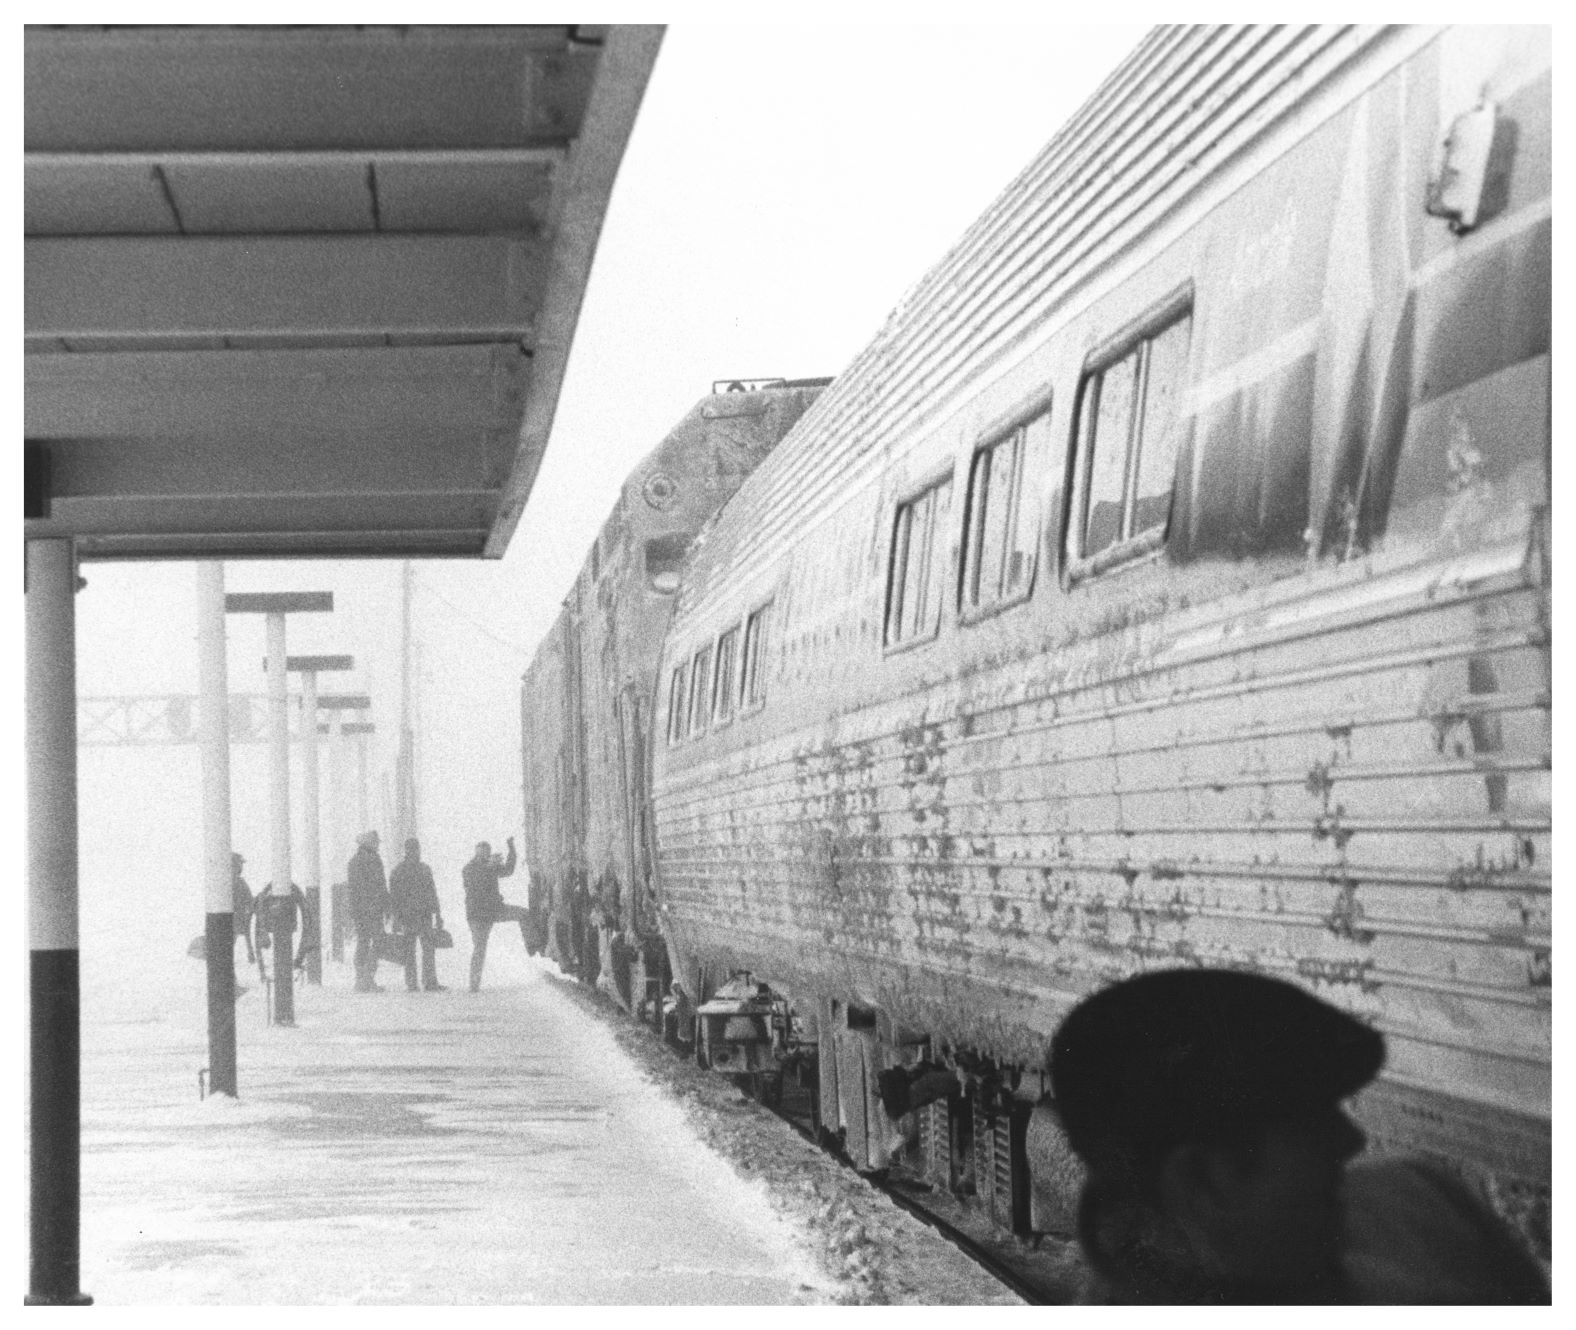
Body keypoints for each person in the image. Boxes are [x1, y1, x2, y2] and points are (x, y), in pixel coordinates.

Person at [1047, 968, 1548, 1304]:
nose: (1350, 1140)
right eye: (1307, 1118)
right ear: (1204, 1180)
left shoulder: (1425, 1204)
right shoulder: (1423, 1221)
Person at [462, 836, 526, 992]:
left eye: (487, 853)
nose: (485, 856)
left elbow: (508, 870)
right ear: (477, 854)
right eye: (482, 854)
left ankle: (534, 944)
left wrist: (511, 849)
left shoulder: (490, 867)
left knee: (524, 914)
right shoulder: (469, 869)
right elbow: (474, 884)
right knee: (479, 949)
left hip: (494, 911)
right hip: (478, 916)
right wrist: (488, 867)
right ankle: (474, 984)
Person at [390, 837, 446, 992]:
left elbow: (431, 893)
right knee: (425, 949)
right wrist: (437, 913)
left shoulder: (399, 870)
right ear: (409, 850)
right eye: (413, 849)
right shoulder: (422, 869)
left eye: (416, 849)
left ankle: (413, 983)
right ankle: (428, 982)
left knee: (413, 950)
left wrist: (438, 913)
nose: (415, 852)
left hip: (413, 915)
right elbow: (431, 893)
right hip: (420, 915)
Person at [347, 830, 389, 992]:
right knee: (377, 942)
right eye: (376, 842)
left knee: (363, 942)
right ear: (369, 843)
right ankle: (367, 978)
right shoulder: (371, 861)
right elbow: (377, 886)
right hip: (371, 910)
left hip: (362, 911)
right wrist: (384, 905)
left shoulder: (355, 862)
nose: (378, 844)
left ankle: (362, 978)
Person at [231, 851, 255, 964]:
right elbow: (249, 899)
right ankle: (251, 955)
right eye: (240, 864)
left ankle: (251, 954)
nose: (241, 867)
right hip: (239, 917)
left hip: (236, 917)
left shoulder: (226, 882)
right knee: (244, 935)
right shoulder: (239, 882)